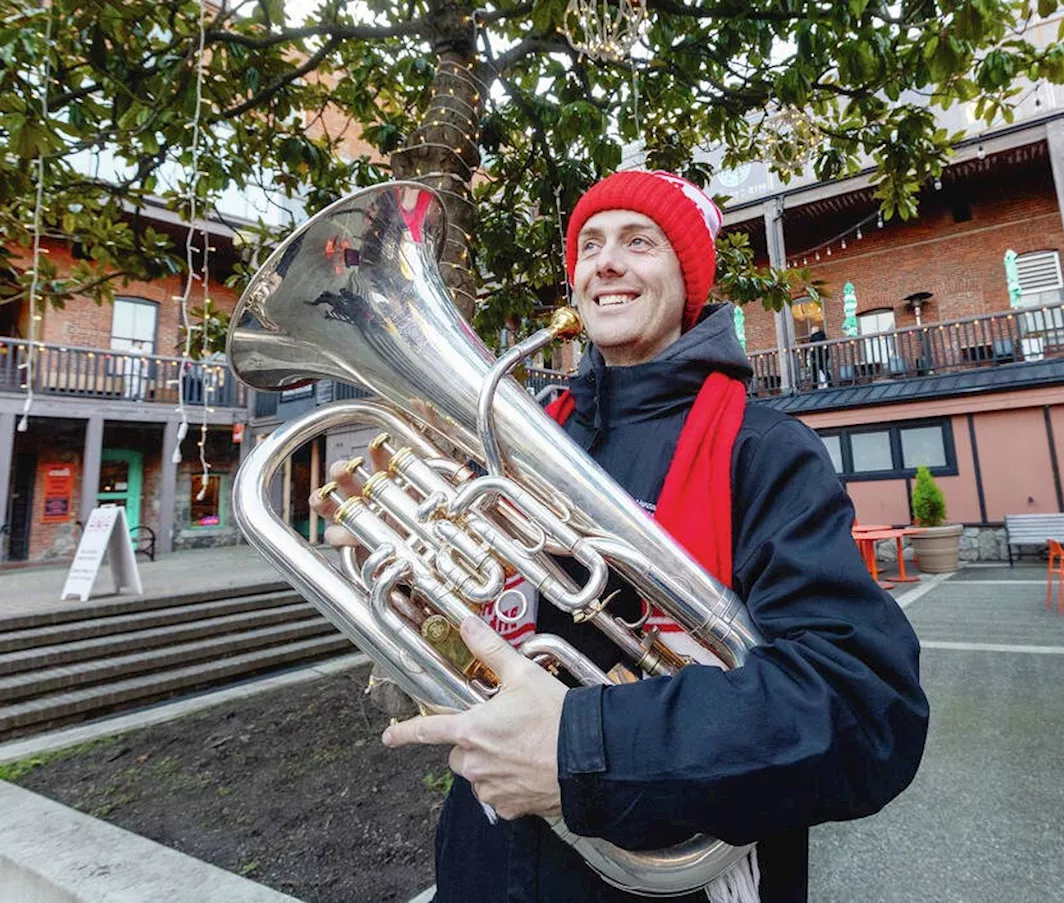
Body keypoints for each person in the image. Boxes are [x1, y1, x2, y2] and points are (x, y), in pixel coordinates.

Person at [318, 170, 928, 902]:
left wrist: (579, 745)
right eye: (590, 245)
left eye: (640, 242)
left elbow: (866, 707)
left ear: (687, 279)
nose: (605, 263)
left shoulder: (763, 450)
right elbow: (501, 639)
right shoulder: (521, 439)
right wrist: (419, 587)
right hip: (488, 862)